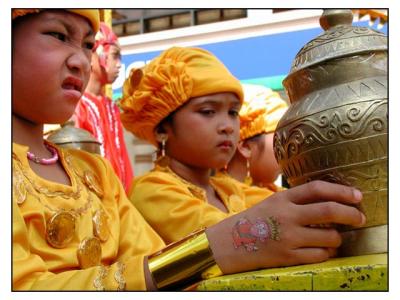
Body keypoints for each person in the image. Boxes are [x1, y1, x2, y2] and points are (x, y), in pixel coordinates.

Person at [12, 9, 365, 291]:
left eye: (88, 45)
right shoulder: (152, 190)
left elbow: (150, 259)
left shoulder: (95, 172)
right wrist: (219, 246)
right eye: (58, 36)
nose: (80, 60)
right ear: (163, 127)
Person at [120, 46, 365, 247]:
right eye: (208, 111)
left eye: (233, 112)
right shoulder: (151, 190)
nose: (227, 126)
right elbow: (231, 237)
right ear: (163, 128)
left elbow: (285, 204)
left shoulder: (227, 188)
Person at [73, 21, 133, 192]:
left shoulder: (111, 106)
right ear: (95, 54)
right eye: (115, 55)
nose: (119, 64)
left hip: (122, 202)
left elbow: (123, 160)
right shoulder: (78, 104)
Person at [225, 83, 288, 193]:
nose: (289, 152)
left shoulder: (278, 195)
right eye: (281, 141)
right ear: (246, 147)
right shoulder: (213, 201)